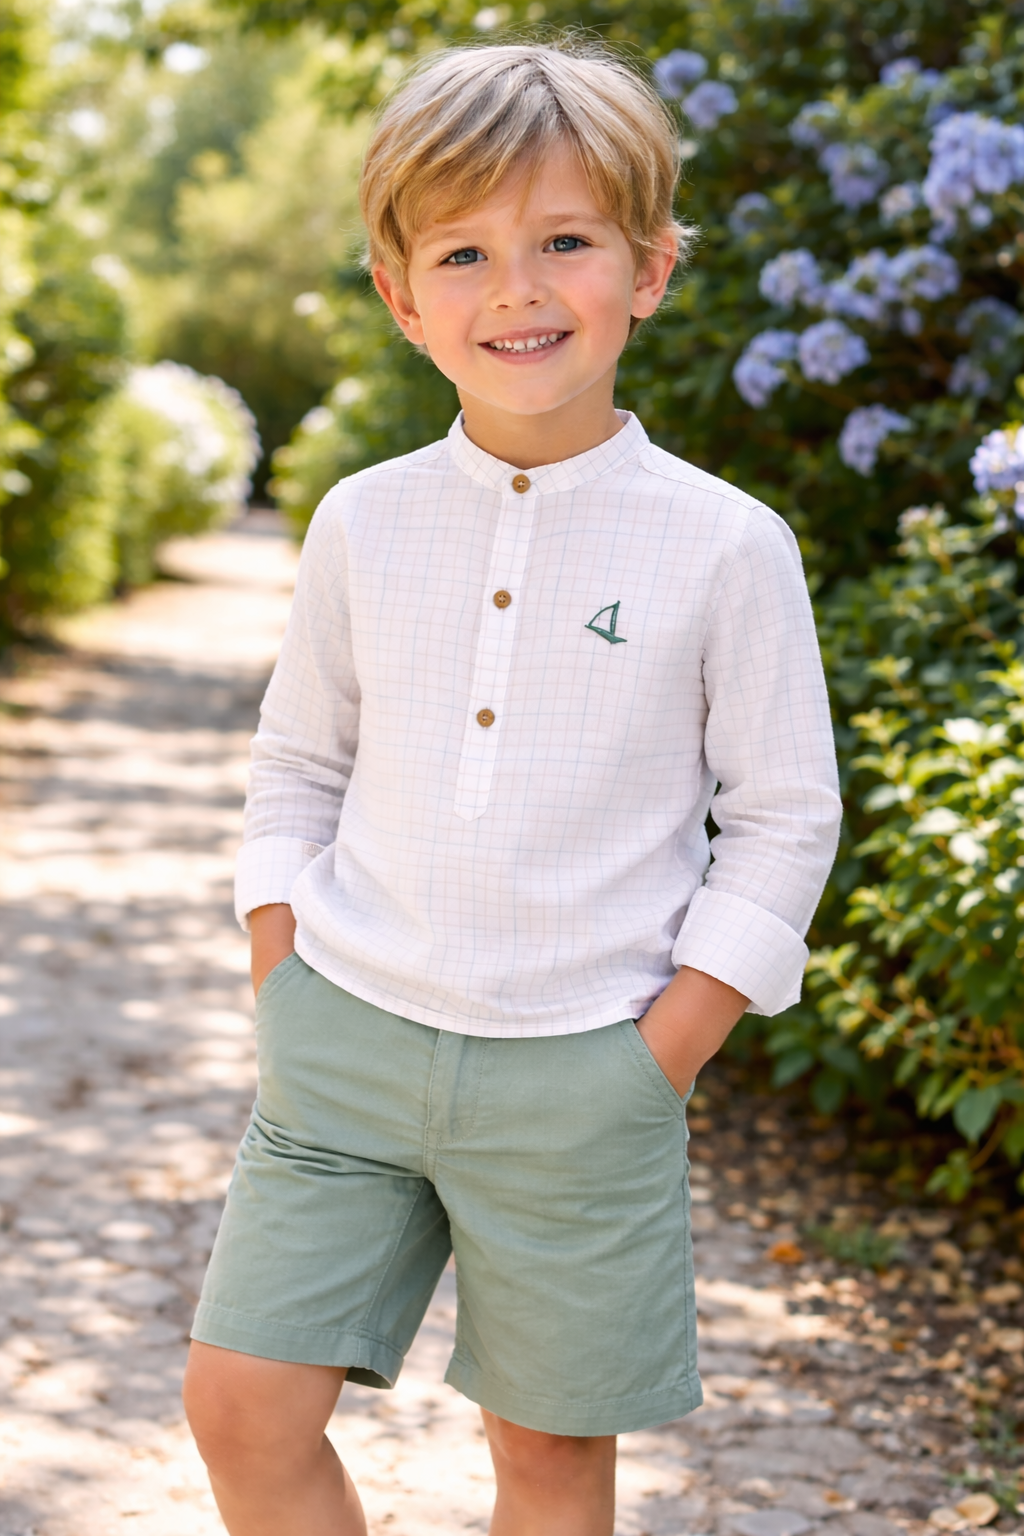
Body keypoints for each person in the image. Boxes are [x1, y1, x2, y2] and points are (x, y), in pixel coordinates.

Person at [182, 40, 842, 1536]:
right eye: (465, 252)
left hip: (587, 1068)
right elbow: (299, 763)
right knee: (239, 1405)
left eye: (566, 243)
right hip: (343, 1040)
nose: (518, 291)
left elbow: (787, 816)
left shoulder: (727, 545)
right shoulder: (364, 521)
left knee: (545, 1459)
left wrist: (661, 1055)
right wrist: (283, 968)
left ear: (651, 268)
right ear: (402, 297)